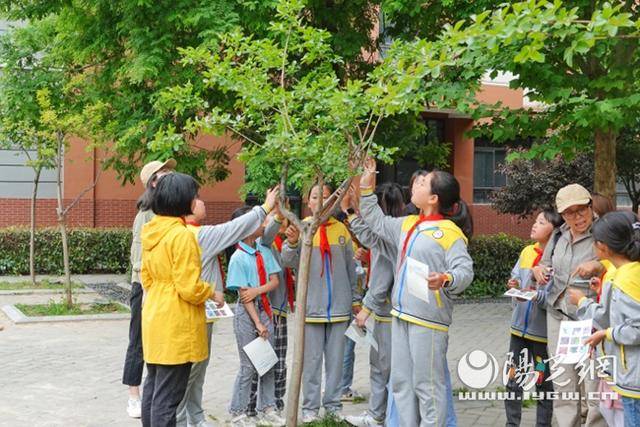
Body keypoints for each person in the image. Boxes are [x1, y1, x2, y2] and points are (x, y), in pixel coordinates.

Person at [358, 158, 474, 426]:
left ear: (433, 198)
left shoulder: (450, 233)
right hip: (400, 316)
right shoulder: (408, 224)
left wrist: (446, 278)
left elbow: (465, 272)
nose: (416, 182)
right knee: (401, 384)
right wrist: (366, 187)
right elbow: (376, 221)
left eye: (423, 182)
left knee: (428, 388)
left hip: (429, 322)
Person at [176, 187, 278, 427]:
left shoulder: (190, 232)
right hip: (194, 312)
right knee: (190, 371)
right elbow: (234, 229)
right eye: (197, 198)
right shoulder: (197, 235)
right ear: (186, 206)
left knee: (198, 369)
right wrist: (264, 207)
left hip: (202, 312)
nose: (202, 202)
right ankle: (182, 419)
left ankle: (196, 417)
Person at [140, 172, 216, 427]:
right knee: (169, 398)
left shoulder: (151, 231)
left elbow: (146, 278)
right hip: (176, 322)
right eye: (195, 195)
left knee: (154, 389)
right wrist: (211, 292)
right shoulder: (182, 235)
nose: (197, 200)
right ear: (184, 200)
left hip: (154, 315)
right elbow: (189, 288)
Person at [281, 184, 359, 423]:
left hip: (339, 308)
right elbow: (288, 261)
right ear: (307, 200)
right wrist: (293, 243)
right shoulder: (302, 227)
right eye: (315, 197)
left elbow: (351, 269)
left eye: (325, 197)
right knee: (311, 361)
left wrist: (355, 300)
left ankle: (333, 405)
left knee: (336, 361)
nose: (320, 202)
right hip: (310, 309)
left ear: (333, 202)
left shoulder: (342, 231)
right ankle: (310, 408)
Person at [532, 184, 606, 427]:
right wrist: (539, 270)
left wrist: (598, 266)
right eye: (569, 213)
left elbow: (622, 264)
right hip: (559, 315)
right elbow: (543, 263)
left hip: (590, 318)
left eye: (581, 210)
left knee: (592, 382)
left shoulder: (603, 232)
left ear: (590, 207)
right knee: (564, 381)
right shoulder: (558, 234)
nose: (577, 217)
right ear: (562, 215)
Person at [568, 211, 640, 427]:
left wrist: (604, 332)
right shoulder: (627, 271)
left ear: (604, 247)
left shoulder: (624, 279)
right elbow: (615, 314)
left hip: (634, 378)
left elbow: (634, 327)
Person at [342, 182, 404, 426]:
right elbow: (368, 237)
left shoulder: (387, 238)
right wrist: (351, 212)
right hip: (392, 311)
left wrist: (365, 310)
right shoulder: (400, 231)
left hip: (385, 313)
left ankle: (379, 415)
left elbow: (380, 281)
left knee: (380, 366)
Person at [123, 158, 175, 419]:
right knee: (139, 340)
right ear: (153, 181)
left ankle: (158, 394)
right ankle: (134, 394)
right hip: (144, 286)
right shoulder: (144, 215)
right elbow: (138, 258)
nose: (170, 174)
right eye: (164, 172)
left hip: (167, 287)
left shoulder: (174, 211)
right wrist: (148, 287)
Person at [226, 206, 285, 427]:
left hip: (264, 306)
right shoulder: (238, 258)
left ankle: (267, 407)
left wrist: (257, 290)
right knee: (248, 366)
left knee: (267, 361)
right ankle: (238, 412)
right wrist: (258, 323)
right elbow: (244, 295)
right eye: (259, 223)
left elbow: (274, 281)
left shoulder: (264, 251)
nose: (263, 225)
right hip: (246, 312)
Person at [504, 209, 563, 427]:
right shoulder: (527, 252)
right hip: (518, 331)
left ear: (554, 230)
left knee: (542, 383)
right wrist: (514, 286)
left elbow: (553, 297)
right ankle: (511, 423)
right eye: (535, 220)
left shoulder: (558, 260)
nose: (534, 225)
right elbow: (515, 277)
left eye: (541, 222)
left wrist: (536, 295)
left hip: (541, 337)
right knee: (513, 379)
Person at [246, 210, 295, 418]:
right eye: (273, 219)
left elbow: (289, 264)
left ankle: (275, 403)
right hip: (265, 310)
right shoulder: (262, 244)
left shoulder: (280, 244)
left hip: (279, 310)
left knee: (279, 360)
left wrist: (292, 243)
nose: (279, 222)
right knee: (260, 360)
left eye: (282, 219)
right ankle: (250, 405)